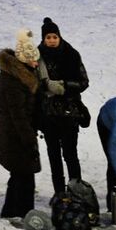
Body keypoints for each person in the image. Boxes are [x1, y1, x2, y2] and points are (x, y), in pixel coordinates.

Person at [36, 18, 90, 201]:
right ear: (43, 39)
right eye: (48, 37)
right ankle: (59, 193)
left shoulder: (71, 54)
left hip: (69, 112)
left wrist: (64, 86)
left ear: (59, 37)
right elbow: (33, 84)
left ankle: (76, 192)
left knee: (70, 154)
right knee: (54, 156)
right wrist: (45, 88)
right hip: (48, 114)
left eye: (54, 36)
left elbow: (84, 82)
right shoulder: (36, 57)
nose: (51, 40)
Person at [0, 29, 43, 220]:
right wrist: (29, 139)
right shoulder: (13, 80)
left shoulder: (20, 75)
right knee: (22, 175)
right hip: (15, 134)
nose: (35, 63)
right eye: (32, 59)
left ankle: (14, 212)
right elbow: (18, 114)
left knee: (21, 175)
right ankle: (21, 212)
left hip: (17, 133)